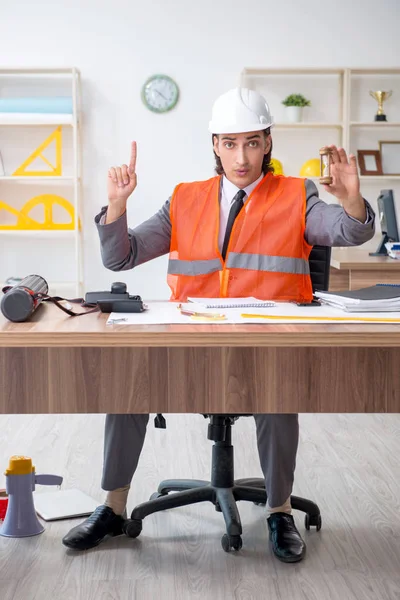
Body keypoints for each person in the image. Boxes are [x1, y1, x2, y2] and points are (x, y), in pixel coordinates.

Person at [62, 88, 375, 562]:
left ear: (268, 142)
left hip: (265, 346)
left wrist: (352, 200)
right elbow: (120, 256)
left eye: (252, 142)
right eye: (230, 144)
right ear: (214, 144)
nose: (241, 156)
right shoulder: (185, 199)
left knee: (277, 398)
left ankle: (279, 511)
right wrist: (117, 206)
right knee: (126, 384)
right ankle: (112, 507)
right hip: (191, 343)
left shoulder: (298, 194)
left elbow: (350, 230)